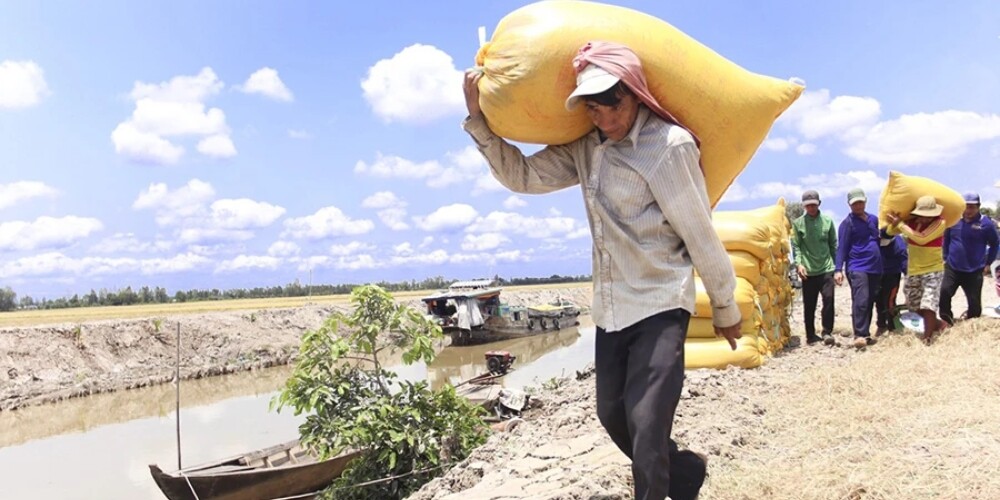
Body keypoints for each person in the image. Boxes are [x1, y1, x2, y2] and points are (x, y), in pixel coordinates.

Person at [462, 41, 742, 500]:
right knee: (613, 415)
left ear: (635, 93)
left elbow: (699, 232)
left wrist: (725, 304)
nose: (607, 119)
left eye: (615, 105)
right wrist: (479, 120)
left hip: (660, 301)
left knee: (648, 424)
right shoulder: (584, 148)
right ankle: (687, 474)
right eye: (594, 109)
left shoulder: (668, 147)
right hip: (611, 310)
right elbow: (522, 177)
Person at [885, 195, 948, 343]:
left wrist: (900, 225)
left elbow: (922, 238)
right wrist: (895, 222)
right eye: (922, 215)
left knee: (928, 304)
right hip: (913, 270)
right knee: (914, 306)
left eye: (928, 216)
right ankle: (941, 325)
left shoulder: (940, 223)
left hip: (933, 269)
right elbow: (889, 232)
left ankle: (927, 339)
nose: (925, 219)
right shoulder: (911, 223)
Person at [939, 192, 999, 324]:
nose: (968, 210)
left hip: (975, 269)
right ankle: (946, 321)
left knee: (975, 304)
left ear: (978, 207)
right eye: (966, 206)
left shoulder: (986, 224)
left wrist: (988, 263)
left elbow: (995, 244)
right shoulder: (953, 221)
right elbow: (946, 239)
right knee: (944, 293)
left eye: (972, 207)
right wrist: (945, 257)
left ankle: (969, 324)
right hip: (953, 266)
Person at [835, 188, 883, 348]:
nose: (858, 206)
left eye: (860, 202)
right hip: (857, 266)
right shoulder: (847, 224)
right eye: (855, 203)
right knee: (861, 299)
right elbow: (841, 247)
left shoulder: (874, 220)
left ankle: (866, 334)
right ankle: (860, 335)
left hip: (875, 267)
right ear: (849, 205)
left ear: (865, 201)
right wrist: (838, 270)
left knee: (870, 299)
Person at [791, 190, 838, 345]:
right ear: (804, 206)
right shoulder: (798, 224)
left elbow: (833, 245)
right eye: (808, 206)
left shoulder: (828, 221)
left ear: (819, 204)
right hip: (808, 271)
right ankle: (810, 335)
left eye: (813, 205)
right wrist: (799, 264)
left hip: (826, 268)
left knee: (829, 300)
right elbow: (796, 246)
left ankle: (827, 332)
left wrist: (837, 268)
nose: (811, 208)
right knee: (809, 304)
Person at [875, 228, 908, 335]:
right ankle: (881, 325)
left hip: (893, 275)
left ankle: (893, 328)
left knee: (889, 301)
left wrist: (908, 276)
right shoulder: (875, 239)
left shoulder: (898, 243)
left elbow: (904, 261)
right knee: (878, 301)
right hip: (877, 274)